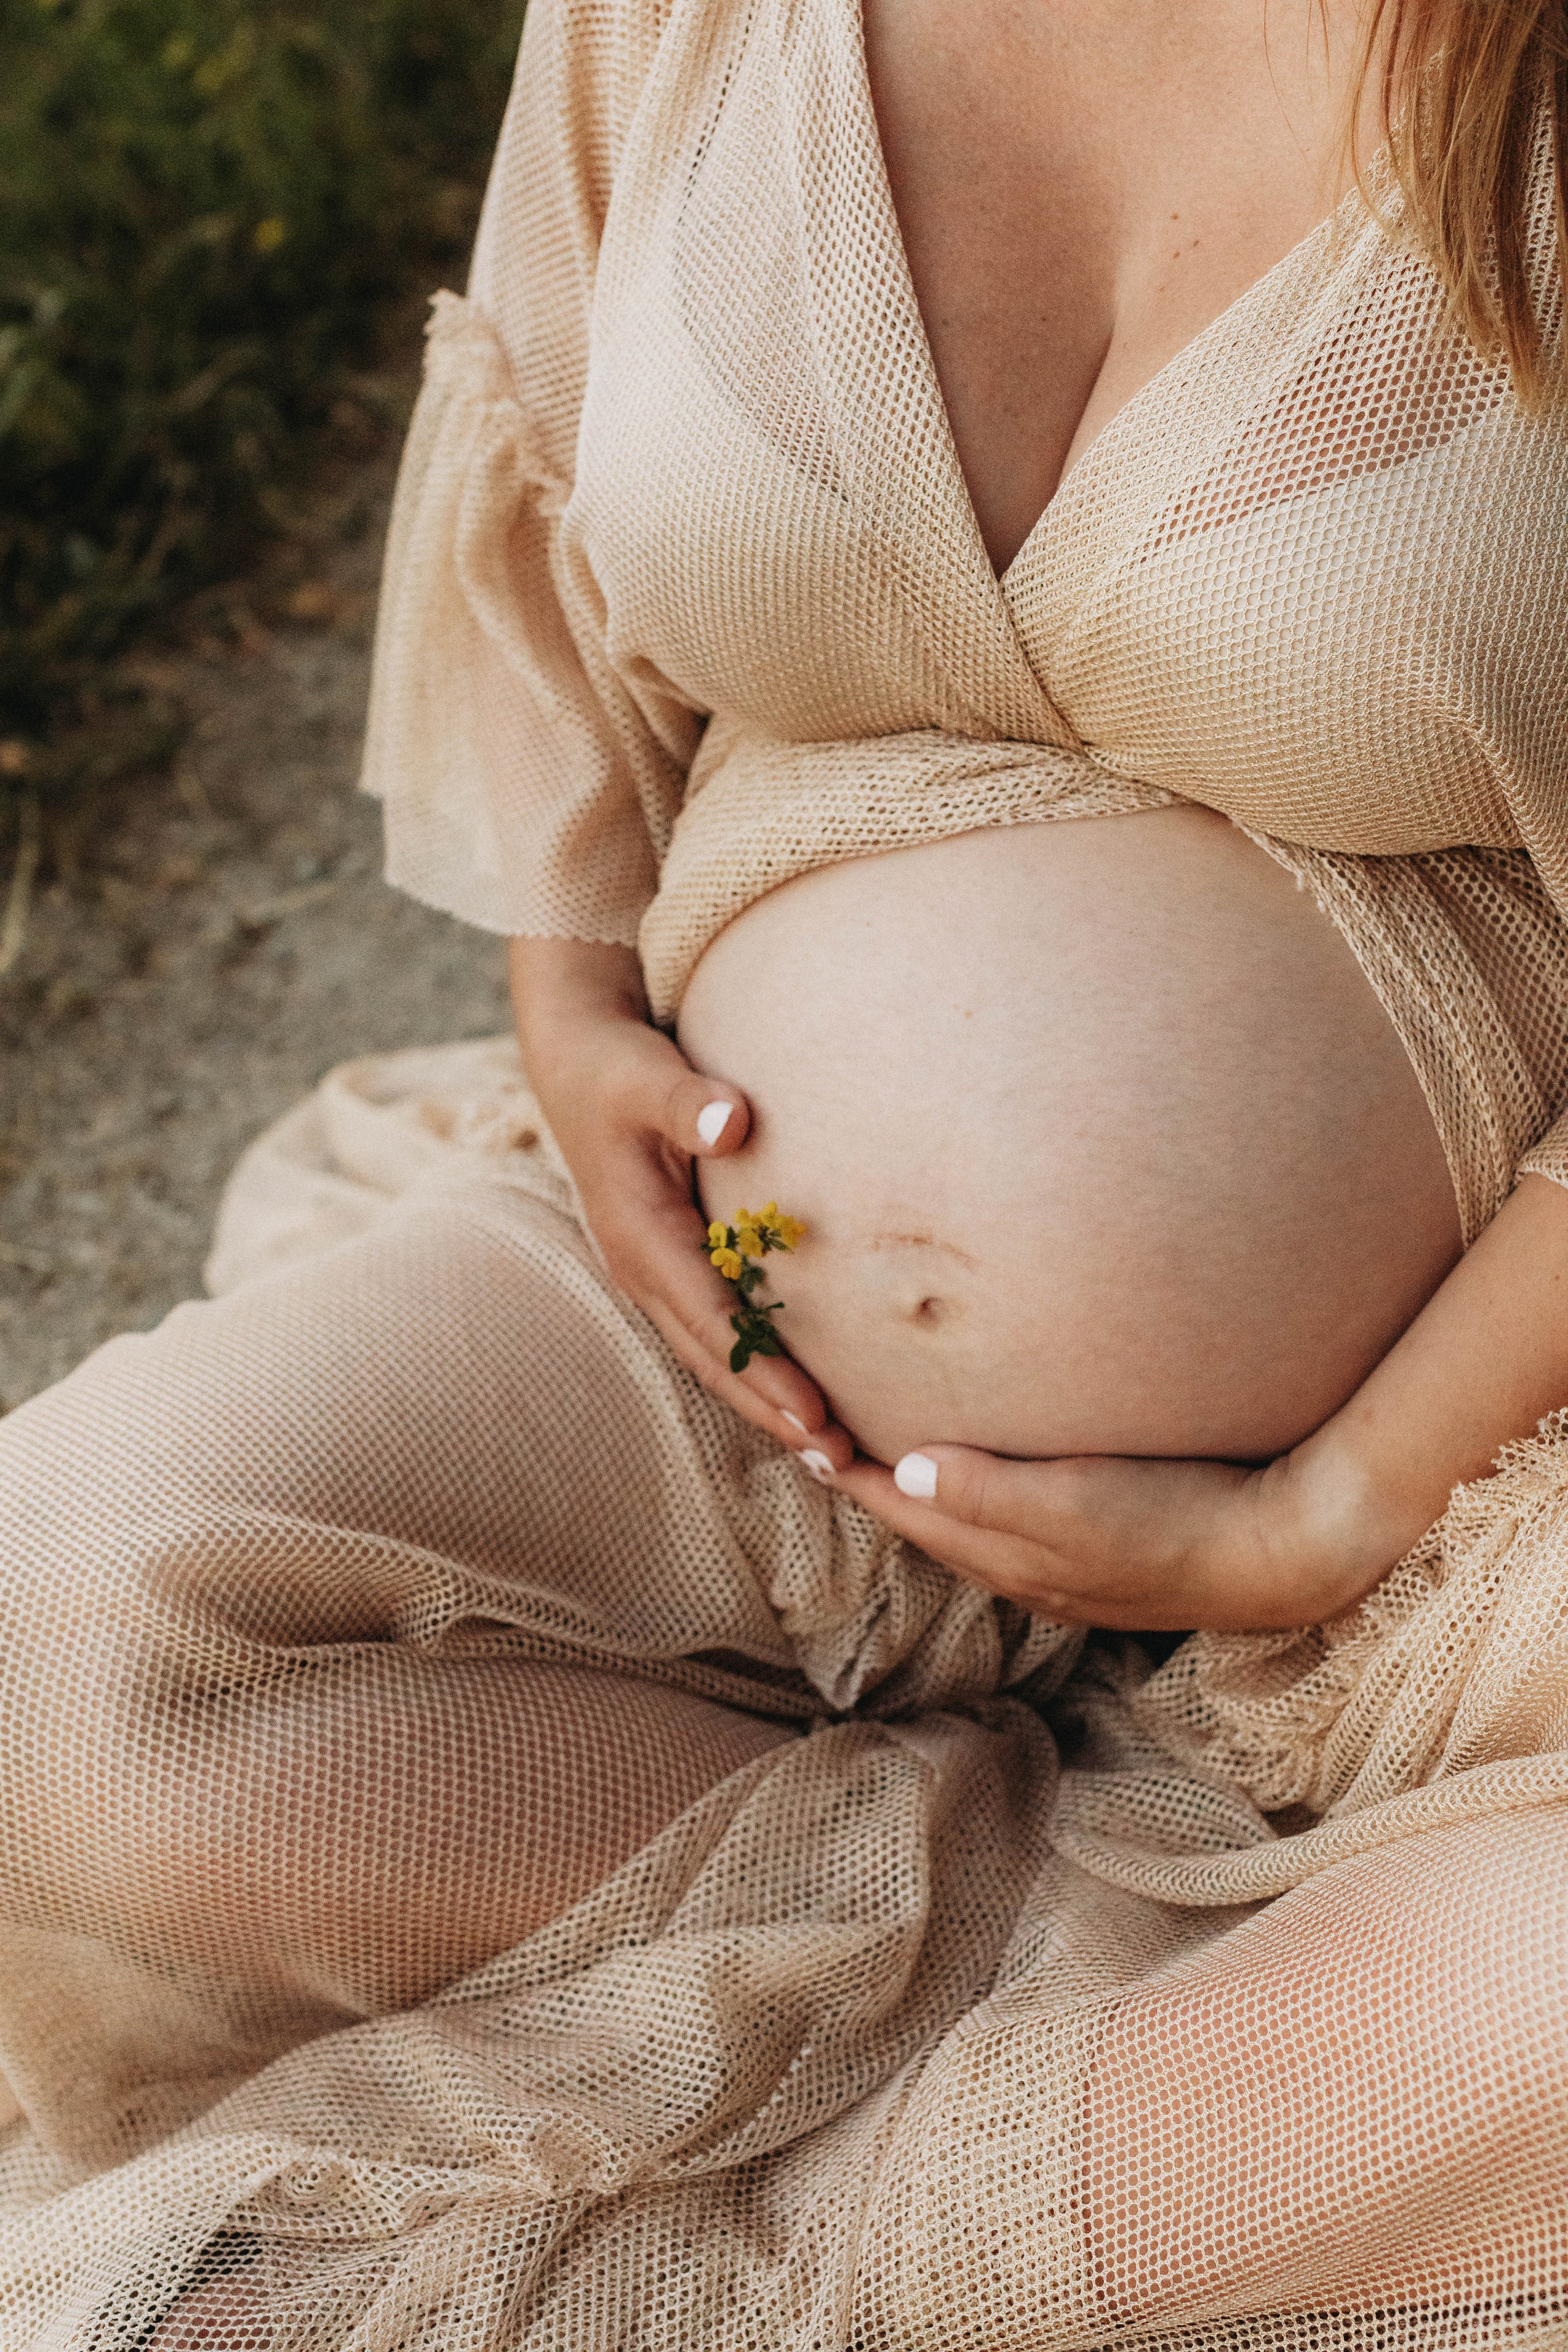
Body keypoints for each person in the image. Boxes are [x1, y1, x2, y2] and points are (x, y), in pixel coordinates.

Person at [1, 1, 1567, 2343]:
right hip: (735, 1369)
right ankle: (1084, 1992)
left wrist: (1322, 1510)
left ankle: (734, 2258)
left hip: (1468, 1477)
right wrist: (573, 999)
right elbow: (545, 464)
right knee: (67, 1628)